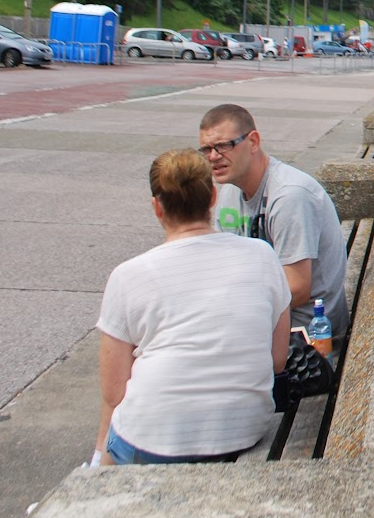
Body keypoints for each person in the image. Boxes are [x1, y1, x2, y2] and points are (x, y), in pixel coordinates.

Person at [95, 149, 290, 465]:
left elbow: (115, 393)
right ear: (213, 197)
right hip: (243, 429)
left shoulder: (128, 275)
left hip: (152, 442)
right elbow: (277, 359)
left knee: (114, 444)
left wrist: (98, 455)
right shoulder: (262, 255)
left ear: (157, 207)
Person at [198, 104, 349, 340]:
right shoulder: (229, 194)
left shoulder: (289, 195)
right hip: (262, 320)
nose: (214, 157)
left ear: (253, 142)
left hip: (307, 337)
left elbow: (297, 290)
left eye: (223, 146)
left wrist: (223, 303)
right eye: (206, 149)